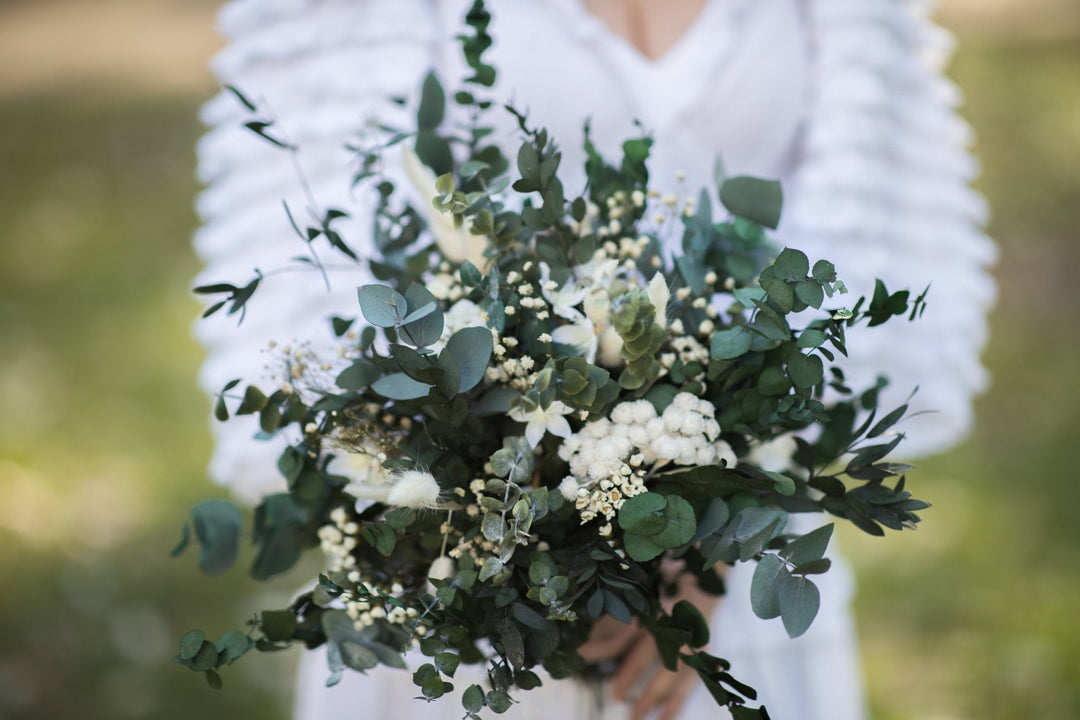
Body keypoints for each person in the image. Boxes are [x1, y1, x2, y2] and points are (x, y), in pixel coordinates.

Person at [193, 1, 997, 718]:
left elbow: (850, 253)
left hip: (748, 553)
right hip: (481, 566)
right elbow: (319, 276)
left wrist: (708, 532)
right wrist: (552, 546)